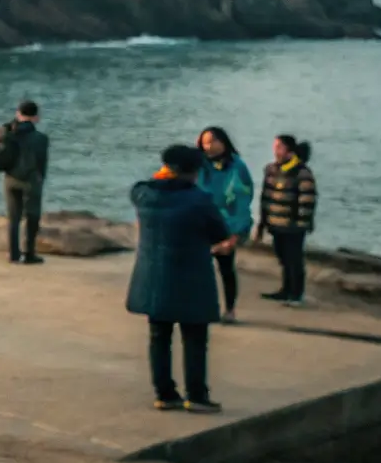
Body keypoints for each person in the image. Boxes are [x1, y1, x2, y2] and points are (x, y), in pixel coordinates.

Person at [126, 145, 234, 414]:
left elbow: (142, 186)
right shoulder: (199, 201)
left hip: (153, 277)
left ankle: (165, 394)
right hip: (191, 277)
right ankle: (196, 395)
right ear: (193, 172)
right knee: (195, 338)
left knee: (159, 336)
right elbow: (220, 234)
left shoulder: (143, 194)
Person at [196, 126, 255, 322]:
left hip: (225, 225)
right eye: (205, 142)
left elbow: (242, 202)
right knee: (199, 270)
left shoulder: (237, 167)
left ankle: (230, 310)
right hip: (200, 224)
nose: (208, 146)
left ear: (224, 142)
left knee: (226, 269)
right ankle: (201, 307)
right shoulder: (198, 165)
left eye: (212, 141)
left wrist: (236, 234)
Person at [258, 135, 318, 306]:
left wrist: (302, 223)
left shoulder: (302, 172)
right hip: (276, 222)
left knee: (294, 259)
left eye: (279, 147)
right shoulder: (271, 170)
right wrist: (263, 222)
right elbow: (265, 197)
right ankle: (285, 290)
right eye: (274, 146)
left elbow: (307, 200)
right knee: (282, 257)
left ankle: (296, 294)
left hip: (293, 225)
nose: (275, 150)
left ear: (290, 151)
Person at [0, 100, 52, 264]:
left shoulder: (7, 133)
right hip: (31, 180)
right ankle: (29, 253)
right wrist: (41, 179)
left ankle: (13, 254)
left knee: (13, 218)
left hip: (10, 179)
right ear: (36, 117)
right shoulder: (41, 139)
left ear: (18, 114)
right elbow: (42, 163)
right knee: (32, 216)